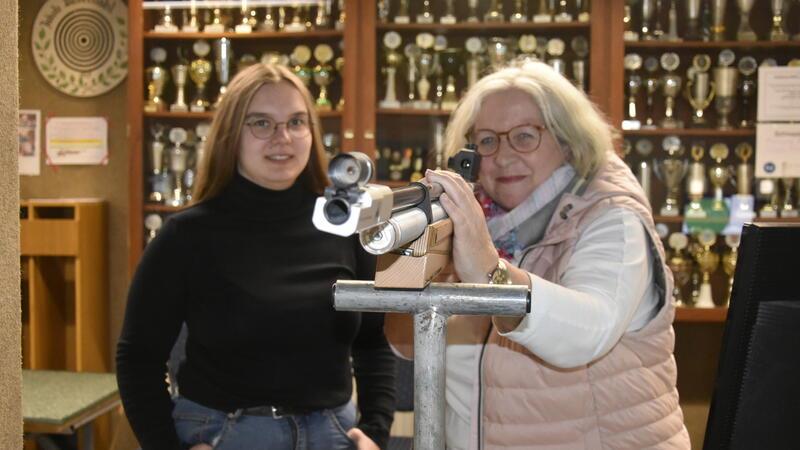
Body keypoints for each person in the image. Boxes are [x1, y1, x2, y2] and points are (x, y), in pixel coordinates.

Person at [387, 60, 690, 449]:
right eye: (487, 140)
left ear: (568, 141)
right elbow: (406, 344)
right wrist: (410, 268)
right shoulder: (470, 225)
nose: (503, 155)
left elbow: (589, 330)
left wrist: (489, 272)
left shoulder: (613, 219)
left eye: (525, 136)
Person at [117, 63, 396, 450]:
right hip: (225, 434)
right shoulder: (185, 236)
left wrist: (376, 433)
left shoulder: (347, 226)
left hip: (332, 435)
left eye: (297, 122)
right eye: (261, 124)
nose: (282, 138)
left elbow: (373, 343)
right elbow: (138, 359)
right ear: (231, 135)